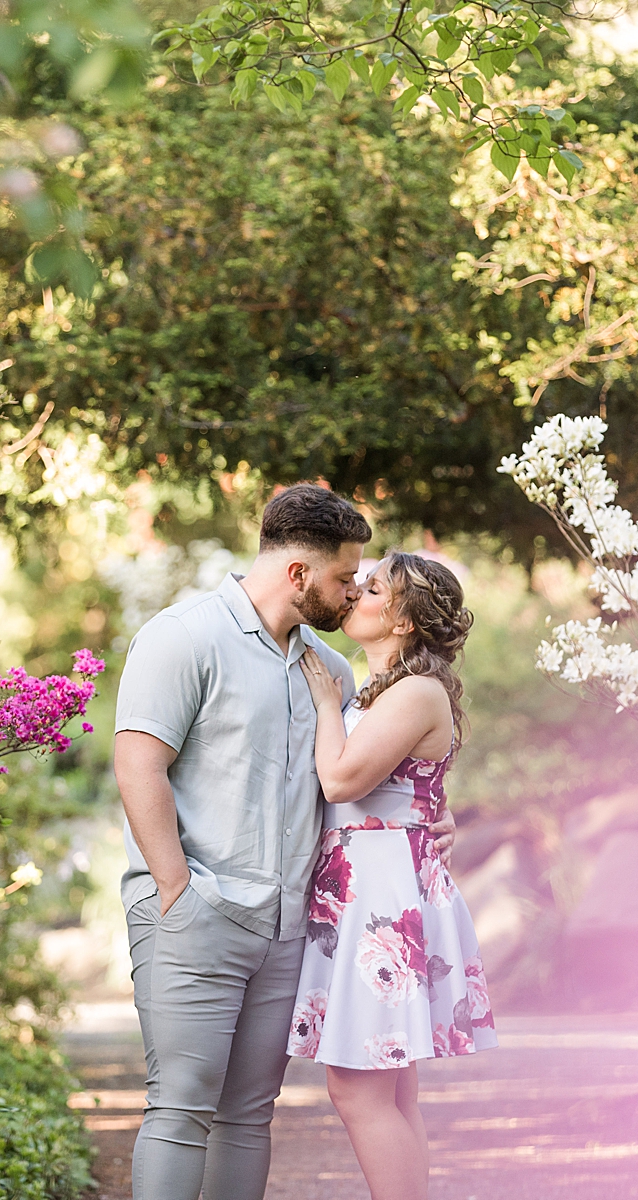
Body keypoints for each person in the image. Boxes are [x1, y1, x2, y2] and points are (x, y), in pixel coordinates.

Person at [113, 486, 456, 1200]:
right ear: (299, 575)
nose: (353, 589)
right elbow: (138, 763)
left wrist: (433, 821)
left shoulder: (330, 673)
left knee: (247, 1115)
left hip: (290, 928)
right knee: (179, 1107)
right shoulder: (183, 637)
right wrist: (175, 889)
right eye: (343, 578)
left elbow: (379, 779)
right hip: (193, 911)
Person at [289, 552, 497, 1200]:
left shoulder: (413, 692)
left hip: (381, 897)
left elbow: (343, 778)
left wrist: (326, 702)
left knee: (358, 1088)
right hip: (372, 883)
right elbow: (408, 787)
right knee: (389, 1090)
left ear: (404, 620)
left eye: (373, 587)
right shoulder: (389, 691)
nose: (356, 592)